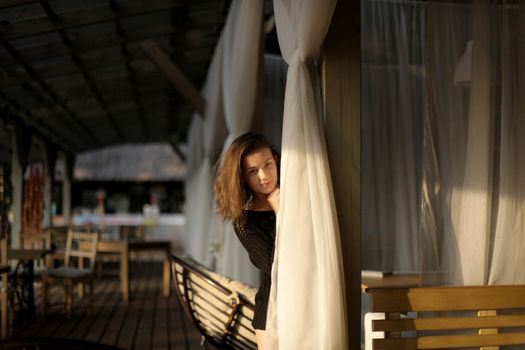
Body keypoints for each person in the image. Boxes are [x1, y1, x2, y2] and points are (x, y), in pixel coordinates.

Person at [214, 132, 280, 350]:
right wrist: (280, 214)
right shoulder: (244, 221)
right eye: (253, 171)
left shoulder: (299, 197)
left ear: (276, 161)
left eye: (268, 164)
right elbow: (275, 266)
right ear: (242, 177)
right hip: (272, 309)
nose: (264, 175)